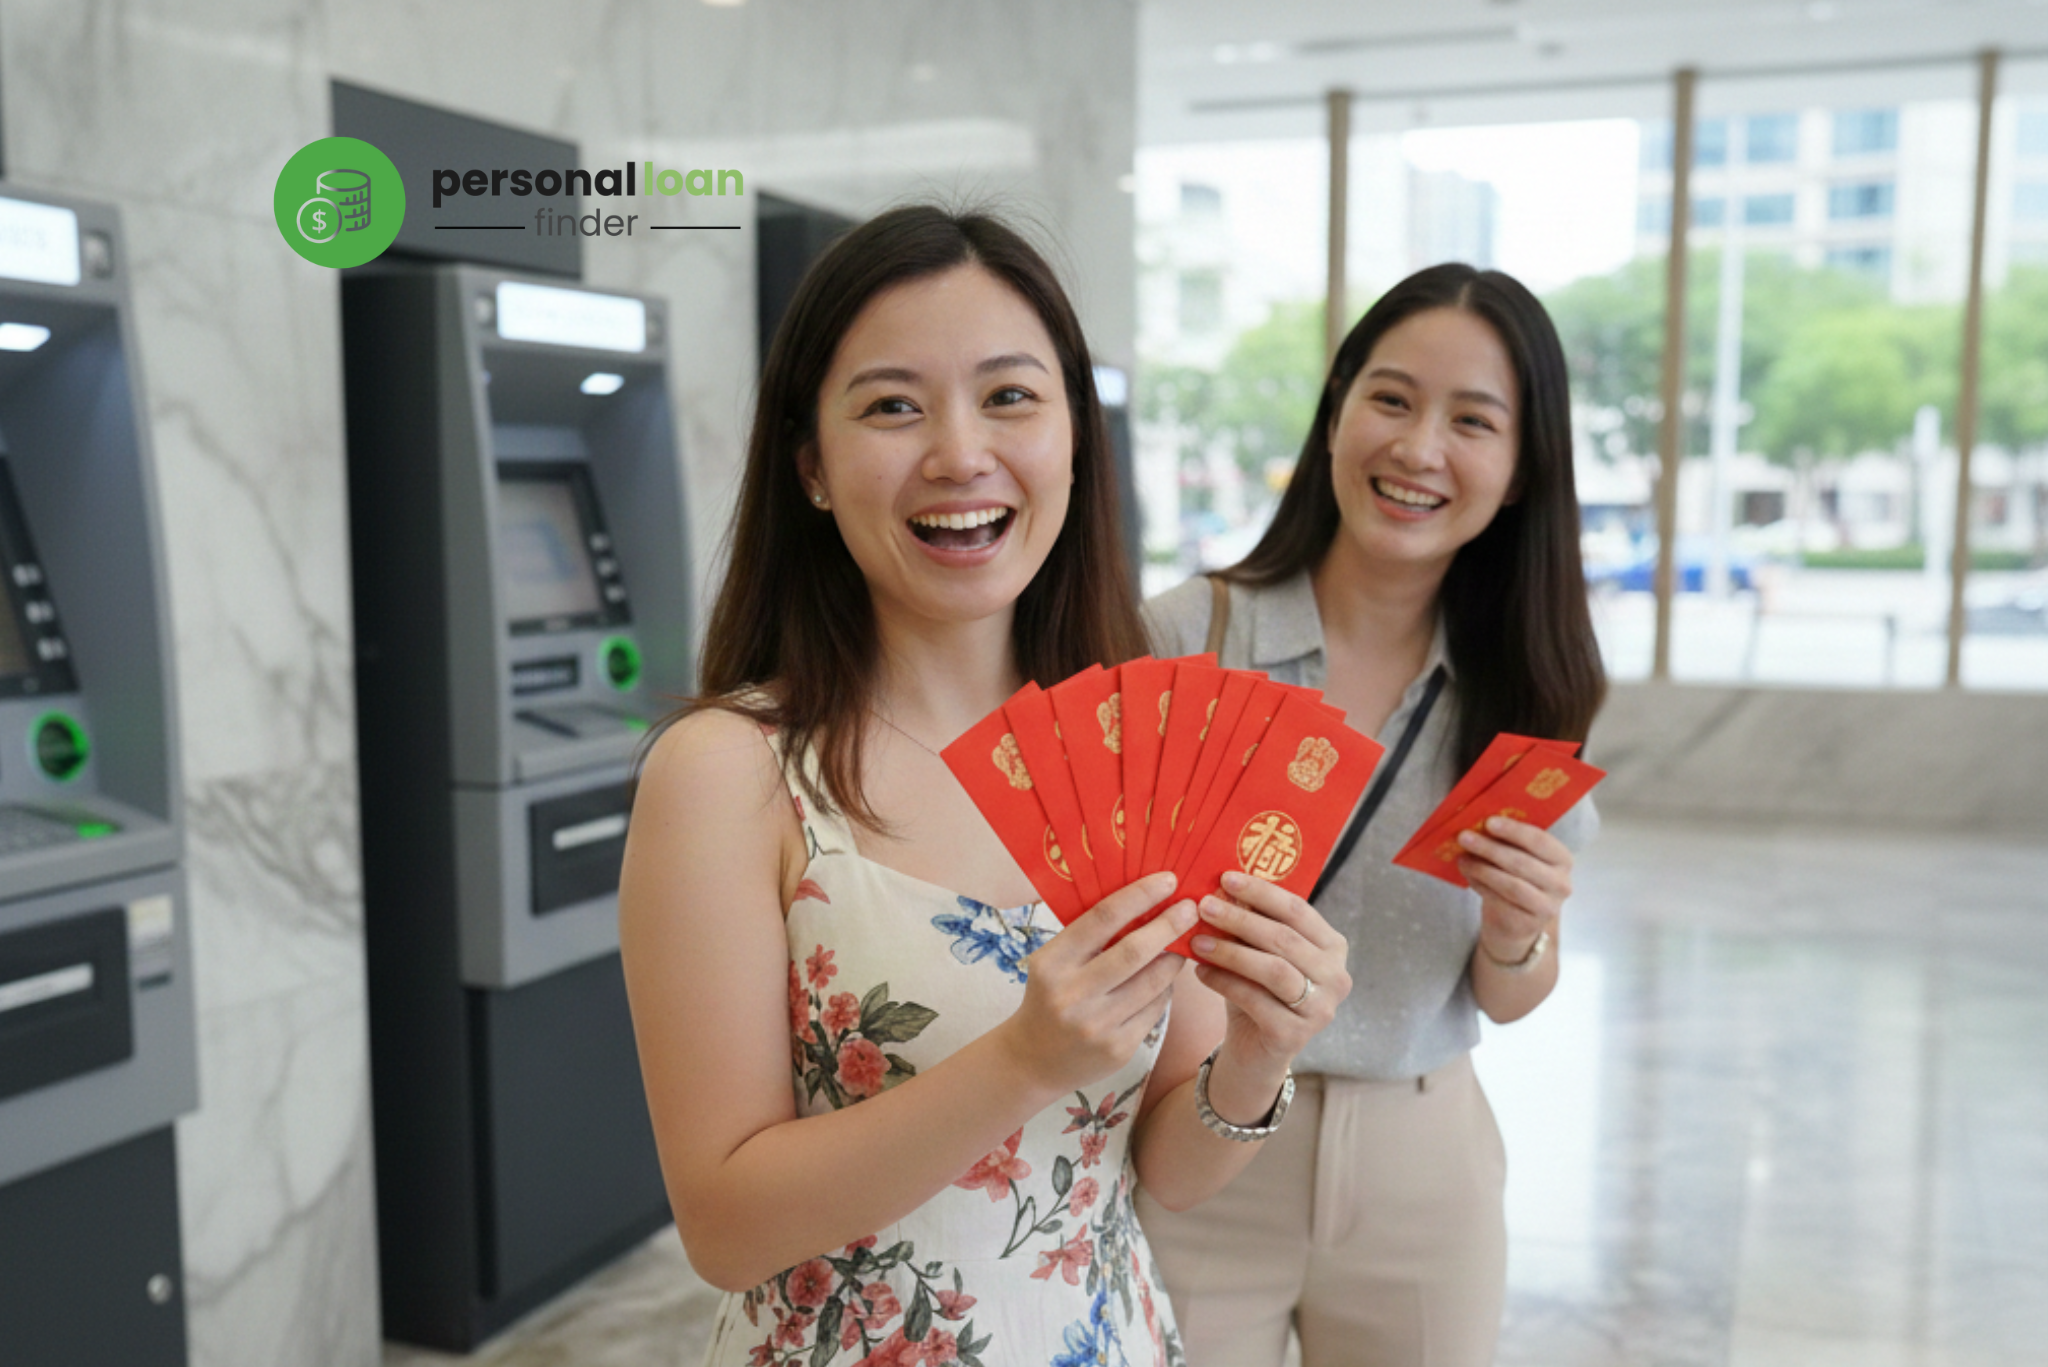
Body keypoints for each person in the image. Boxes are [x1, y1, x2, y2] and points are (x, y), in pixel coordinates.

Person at [619, 204, 1354, 1367]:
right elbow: (723, 1223)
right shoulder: (729, 770)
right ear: (809, 465)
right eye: (892, 405)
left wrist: (1260, 1055)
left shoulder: (1140, 745)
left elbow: (1170, 1162)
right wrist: (1021, 1060)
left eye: (1010, 396)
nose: (960, 453)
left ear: (1071, 437)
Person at [1136, 263, 1607, 1367]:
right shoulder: (1185, 637)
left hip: (1421, 1161)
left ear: (1520, 466)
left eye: (1472, 420)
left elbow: (1512, 990)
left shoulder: (1531, 691)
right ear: (1337, 405)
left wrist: (1516, 929)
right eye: (1390, 399)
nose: (1418, 448)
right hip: (1198, 1142)